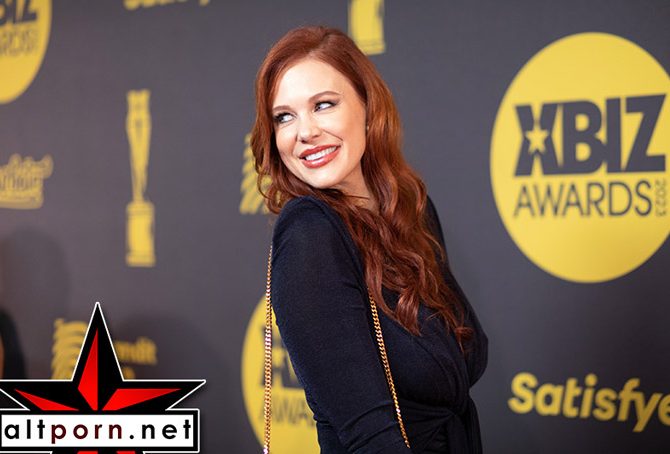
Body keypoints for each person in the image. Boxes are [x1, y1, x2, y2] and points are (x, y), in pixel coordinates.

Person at [251, 26, 487, 453]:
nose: (305, 131)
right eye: (284, 116)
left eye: (323, 105)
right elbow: (370, 437)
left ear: (367, 105)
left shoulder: (410, 209)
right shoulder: (310, 234)